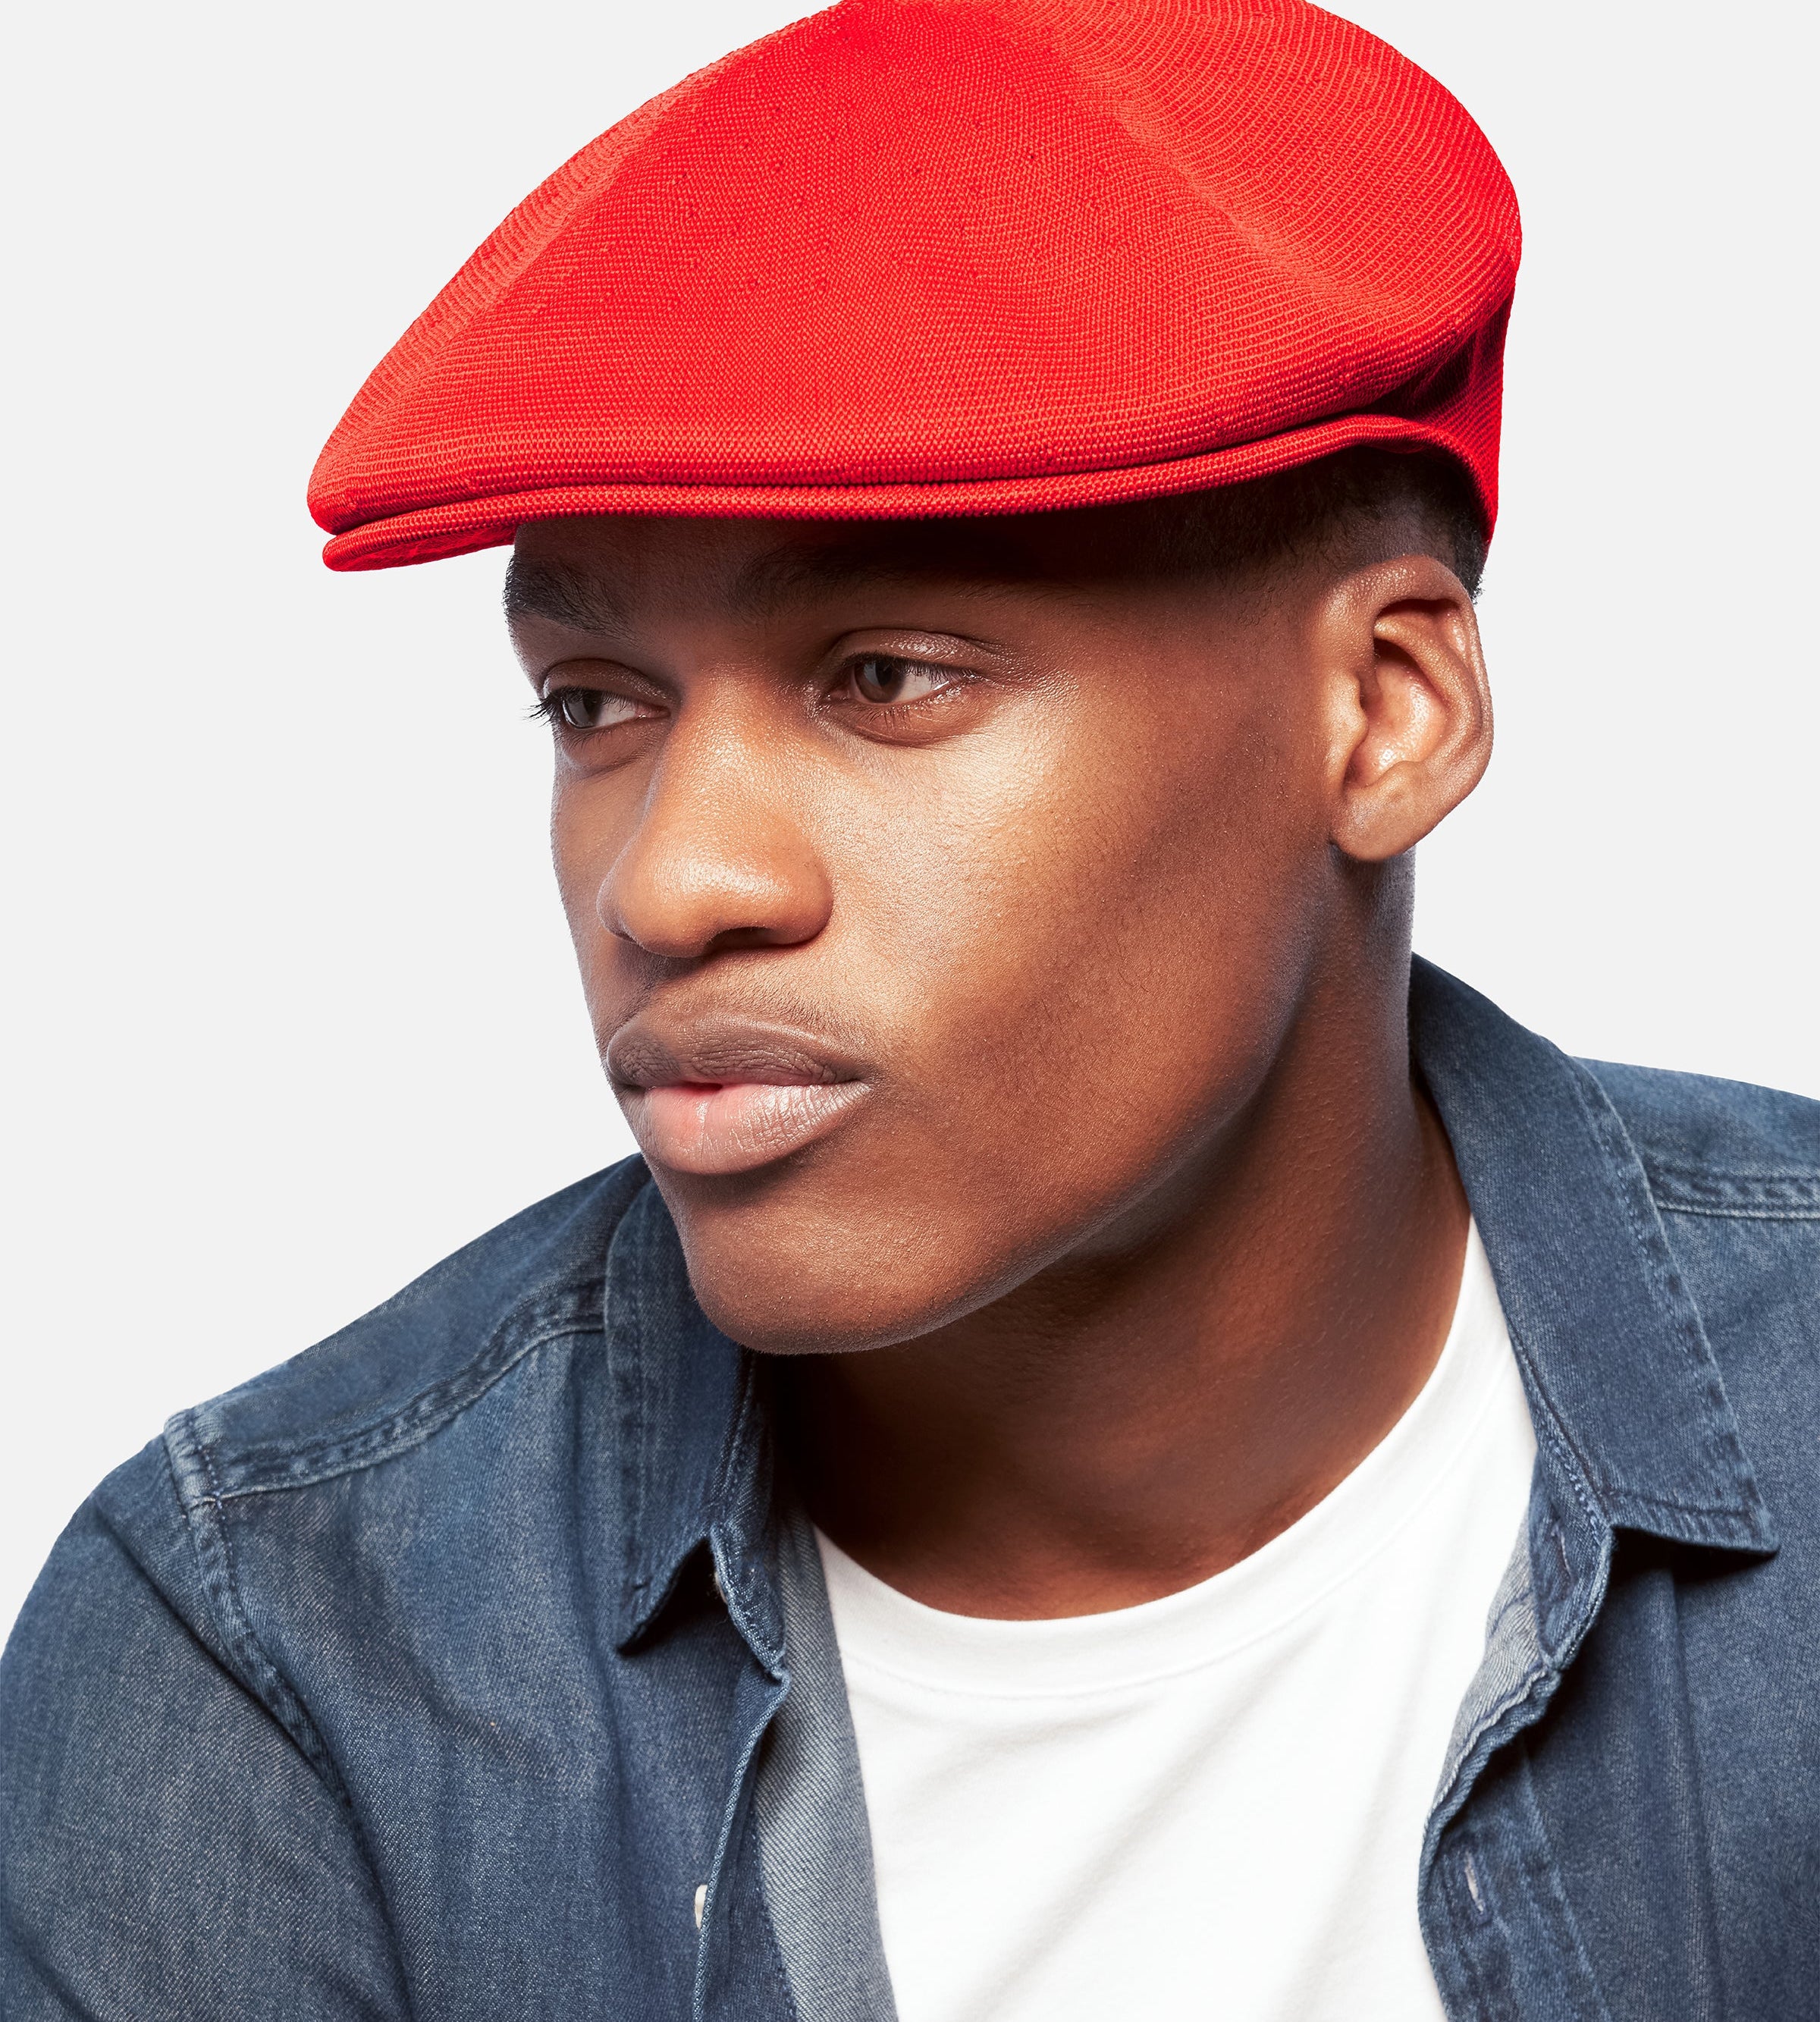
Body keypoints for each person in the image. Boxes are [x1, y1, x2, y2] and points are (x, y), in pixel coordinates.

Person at [2, 2, 1815, 2017]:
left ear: (1385, 709)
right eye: (596, 702)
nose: (672, 883)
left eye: (889, 676)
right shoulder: (274, 1668)